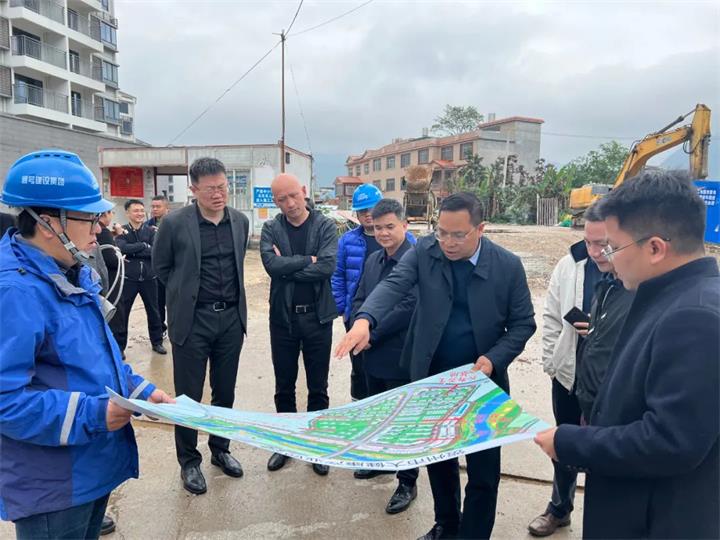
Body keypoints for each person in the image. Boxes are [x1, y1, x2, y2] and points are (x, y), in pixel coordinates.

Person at [337, 192, 537, 540]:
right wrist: (365, 319)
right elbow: (394, 284)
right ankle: (446, 525)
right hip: (433, 377)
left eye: (458, 235)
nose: (448, 242)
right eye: (441, 232)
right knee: (439, 460)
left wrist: (493, 359)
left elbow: (523, 324)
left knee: (483, 471)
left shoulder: (507, 266)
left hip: (481, 381)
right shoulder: (426, 251)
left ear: (481, 229)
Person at [534, 170, 719, 539]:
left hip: (653, 520)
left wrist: (570, 442)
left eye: (614, 248)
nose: (608, 259)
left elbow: (670, 442)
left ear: (655, 248)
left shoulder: (695, 317)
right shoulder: (668, 295)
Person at [0, 149, 173, 540]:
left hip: (88, 466)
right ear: (48, 224)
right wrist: (94, 414)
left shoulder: (70, 272)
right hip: (54, 485)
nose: (99, 228)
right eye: (89, 218)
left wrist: (142, 392)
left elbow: (94, 359)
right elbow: (5, 401)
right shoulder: (15, 292)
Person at [153, 157, 248, 495]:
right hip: (193, 321)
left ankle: (220, 449)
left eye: (222, 187)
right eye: (210, 189)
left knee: (225, 391)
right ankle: (189, 461)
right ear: (193, 189)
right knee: (188, 395)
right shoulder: (174, 223)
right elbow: (161, 268)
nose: (218, 194)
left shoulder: (239, 221)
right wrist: (184, 297)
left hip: (230, 319)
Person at [527, 203, 605, 537]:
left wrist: (600, 331)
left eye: (603, 243)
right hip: (569, 372)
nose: (596, 251)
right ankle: (560, 508)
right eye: (589, 241)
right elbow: (551, 317)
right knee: (564, 441)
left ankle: (603, 518)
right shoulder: (569, 265)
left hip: (609, 380)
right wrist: (551, 362)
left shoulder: (630, 268)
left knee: (606, 448)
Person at [260, 173, 338, 477]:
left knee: (318, 385)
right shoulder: (271, 228)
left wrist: (288, 267)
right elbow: (271, 266)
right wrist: (308, 260)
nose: (290, 203)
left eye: (293, 195)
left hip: (317, 317)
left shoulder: (325, 225)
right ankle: (286, 442)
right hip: (284, 318)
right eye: (282, 199)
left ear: (304, 191)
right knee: (284, 384)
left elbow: (327, 267)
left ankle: (317, 444)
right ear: (276, 202)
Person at [349, 198, 418, 514]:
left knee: (404, 421)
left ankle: (407, 481)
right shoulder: (373, 260)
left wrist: (371, 334)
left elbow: (408, 306)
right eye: (378, 228)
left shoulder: (415, 261)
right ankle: (380, 461)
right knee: (377, 413)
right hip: (370, 354)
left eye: (390, 226)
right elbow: (361, 298)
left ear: (405, 225)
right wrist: (355, 326)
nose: (383, 233)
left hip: (400, 353)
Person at [331, 183, 384, 404]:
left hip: (389, 314)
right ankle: (359, 404)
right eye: (363, 211)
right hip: (356, 313)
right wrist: (344, 310)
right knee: (359, 364)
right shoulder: (347, 240)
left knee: (386, 364)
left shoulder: (400, 238)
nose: (368, 214)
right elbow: (338, 276)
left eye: (372, 209)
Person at [114, 199, 166, 355]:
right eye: (136, 210)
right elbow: (122, 248)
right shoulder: (122, 231)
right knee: (123, 314)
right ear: (127, 213)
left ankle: (157, 342)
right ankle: (120, 347)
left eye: (142, 210)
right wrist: (143, 246)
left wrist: (134, 251)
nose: (140, 213)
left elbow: (155, 251)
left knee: (154, 311)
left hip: (149, 278)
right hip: (129, 279)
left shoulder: (151, 231)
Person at [147, 195, 170, 335]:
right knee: (158, 302)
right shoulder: (147, 225)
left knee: (175, 301)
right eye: (153, 206)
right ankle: (161, 328)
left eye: (158, 206)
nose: (155, 209)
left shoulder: (175, 223)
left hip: (173, 269)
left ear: (167, 208)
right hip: (155, 270)